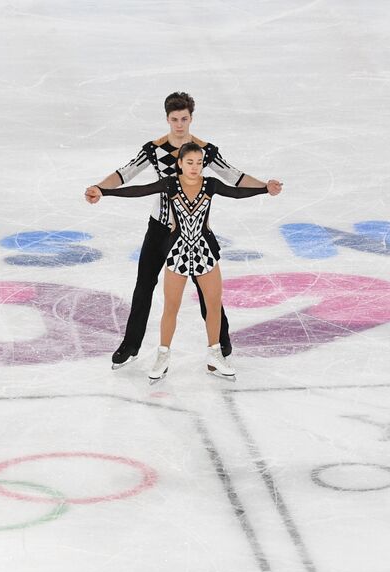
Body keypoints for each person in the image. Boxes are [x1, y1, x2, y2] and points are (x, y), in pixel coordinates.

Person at [85, 91, 283, 369]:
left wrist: (264, 185)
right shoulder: (153, 149)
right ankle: (130, 346)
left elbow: (233, 176)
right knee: (144, 285)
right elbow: (125, 175)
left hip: (193, 231)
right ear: (167, 119)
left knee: (206, 288)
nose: (180, 125)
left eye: (184, 119)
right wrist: (100, 189)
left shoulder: (203, 152)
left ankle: (220, 342)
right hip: (159, 227)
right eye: (175, 119)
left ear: (191, 118)